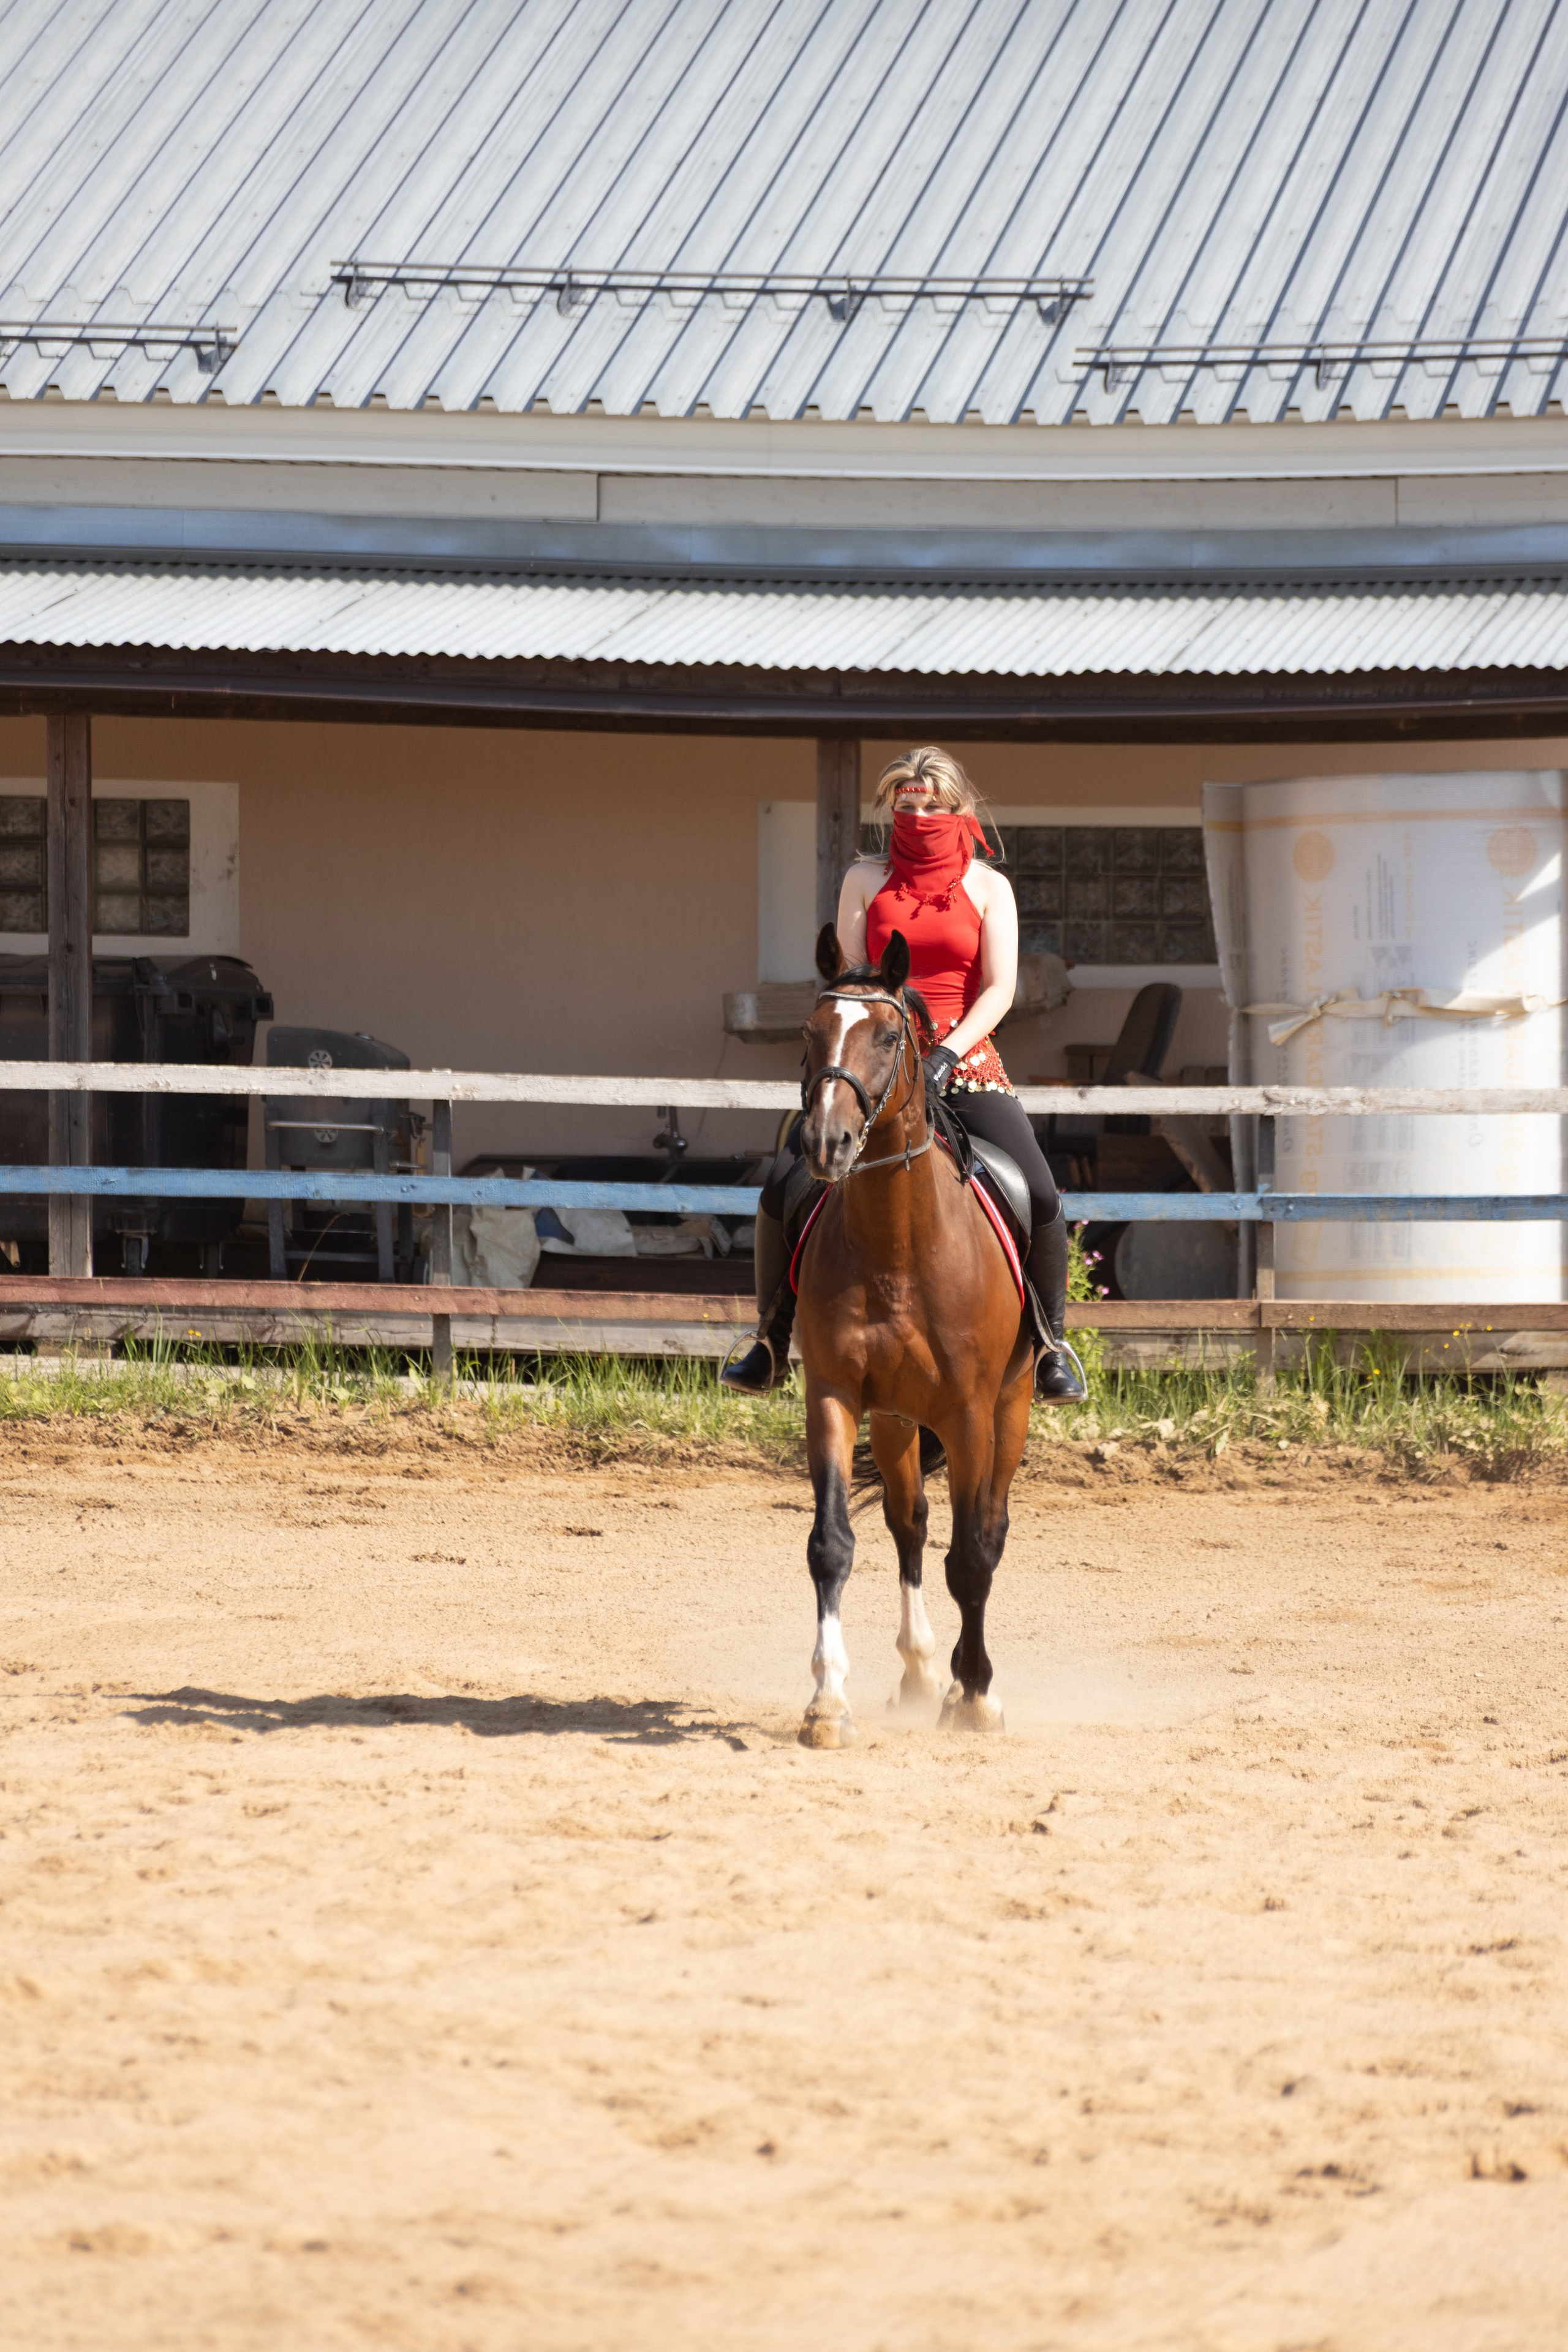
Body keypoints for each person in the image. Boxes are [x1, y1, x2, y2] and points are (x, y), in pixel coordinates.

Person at [722, 746, 1087, 1403]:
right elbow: (852, 978)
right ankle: (770, 1339)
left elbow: (1001, 988)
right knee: (783, 1182)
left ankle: (1051, 1343)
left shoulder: (988, 887)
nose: (917, 817)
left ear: (958, 810)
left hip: (964, 1061)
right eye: (906, 806)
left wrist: (946, 1053)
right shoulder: (865, 878)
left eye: (931, 806)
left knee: (1038, 1188)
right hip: (875, 1062)